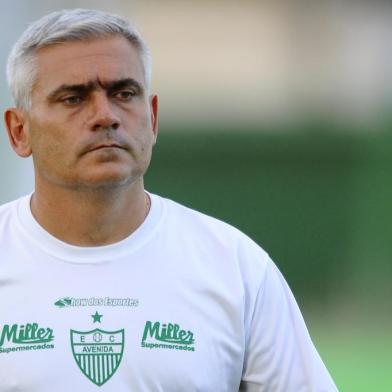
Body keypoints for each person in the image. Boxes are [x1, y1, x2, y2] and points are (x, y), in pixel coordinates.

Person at [0, 8, 338, 392]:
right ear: (19, 131)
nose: (105, 115)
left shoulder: (235, 268)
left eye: (124, 93)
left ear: (153, 117)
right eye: (73, 98)